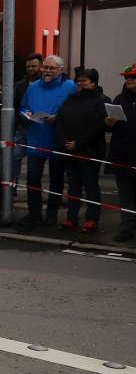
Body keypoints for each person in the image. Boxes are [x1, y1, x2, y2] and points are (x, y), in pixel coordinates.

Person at [19, 54, 76, 226]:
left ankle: (51, 214)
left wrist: (58, 117)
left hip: (57, 139)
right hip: (36, 138)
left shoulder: (70, 86)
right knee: (33, 178)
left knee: (56, 179)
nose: (47, 71)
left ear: (61, 70)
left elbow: (76, 110)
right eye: (45, 67)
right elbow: (23, 106)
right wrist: (26, 113)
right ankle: (34, 213)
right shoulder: (33, 87)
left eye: (51, 68)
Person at [54, 68, 108, 232]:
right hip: (70, 150)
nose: (79, 83)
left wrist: (79, 143)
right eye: (78, 80)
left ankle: (91, 219)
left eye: (83, 80)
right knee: (73, 186)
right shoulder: (71, 98)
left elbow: (99, 127)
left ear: (93, 82)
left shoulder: (102, 100)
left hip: (90, 151)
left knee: (91, 186)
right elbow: (60, 120)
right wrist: (64, 141)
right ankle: (71, 218)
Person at [106, 63, 136, 242]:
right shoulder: (119, 99)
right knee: (125, 193)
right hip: (122, 155)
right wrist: (109, 123)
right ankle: (127, 226)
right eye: (127, 78)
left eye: (133, 77)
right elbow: (111, 128)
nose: (129, 80)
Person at [11, 53, 43, 194]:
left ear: (41, 66)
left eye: (33, 66)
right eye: (28, 66)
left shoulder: (45, 84)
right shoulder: (19, 85)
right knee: (14, 157)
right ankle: (12, 188)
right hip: (22, 127)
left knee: (34, 163)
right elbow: (14, 105)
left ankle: (33, 190)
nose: (30, 69)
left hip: (40, 128)